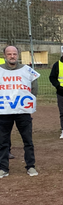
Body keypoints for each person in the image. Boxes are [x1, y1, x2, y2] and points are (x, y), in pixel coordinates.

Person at [0, 46, 39, 178]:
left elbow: (34, 87)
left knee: (28, 140)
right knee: (2, 141)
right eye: (9, 54)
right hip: (4, 112)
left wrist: (29, 104)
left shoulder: (27, 70)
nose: (12, 56)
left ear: (18, 55)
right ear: (5, 55)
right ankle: (3, 168)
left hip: (23, 112)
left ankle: (31, 166)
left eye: (14, 54)